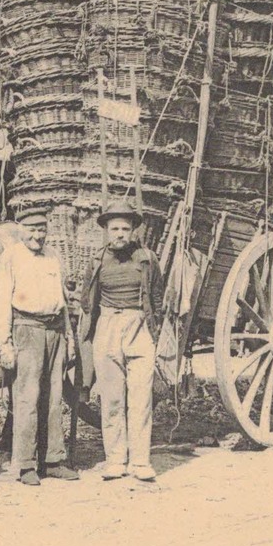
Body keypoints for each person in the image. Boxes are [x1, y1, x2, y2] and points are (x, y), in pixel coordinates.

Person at [0, 204, 79, 486]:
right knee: (28, 398)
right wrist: (4, 344)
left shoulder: (53, 256)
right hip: (26, 330)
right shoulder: (11, 257)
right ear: (20, 230)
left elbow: (62, 301)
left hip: (54, 330)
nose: (37, 235)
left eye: (42, 229)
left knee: (54, 398)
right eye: (32, 229)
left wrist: (69, 338)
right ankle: (26, 464)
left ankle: (53, 460)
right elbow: (1, 302)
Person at [79, 199, 163, 482]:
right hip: (108, 327)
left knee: (140, 398)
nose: (119, 234)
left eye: (125, 229)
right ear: (105, 230)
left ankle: (140, 462)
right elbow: (86, 301)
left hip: (139, 326)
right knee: (112, 399)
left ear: (133, 231)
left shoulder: (147, 259)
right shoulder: (96, 261)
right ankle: (115, 460)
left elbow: (158, 297)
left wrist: (152, 328)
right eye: (114, 228)